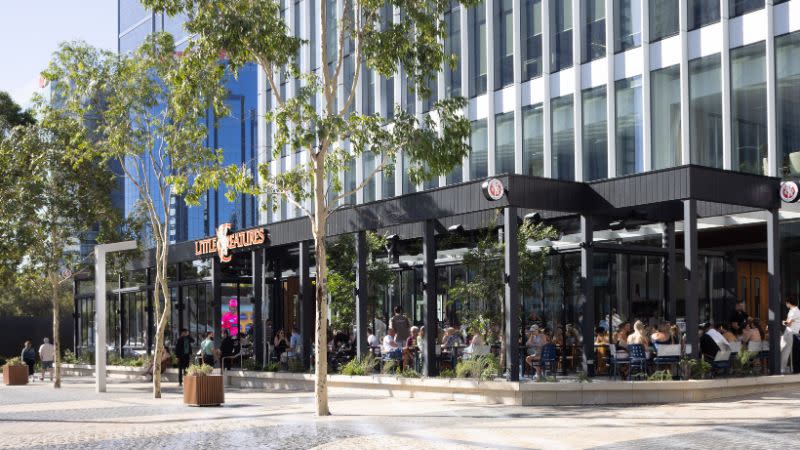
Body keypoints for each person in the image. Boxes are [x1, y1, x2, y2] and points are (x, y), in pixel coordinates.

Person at [780, 297, 800, 373]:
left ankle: (782, 369)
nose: (785, 304)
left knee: (785, 351)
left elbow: (788, 323)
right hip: (793, 333)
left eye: (786, 303)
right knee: (790, 352)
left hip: (790, 333)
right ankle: (791, 368)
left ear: (789, 303)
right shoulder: (795, 310)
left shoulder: (793, 311)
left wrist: (782, 322)